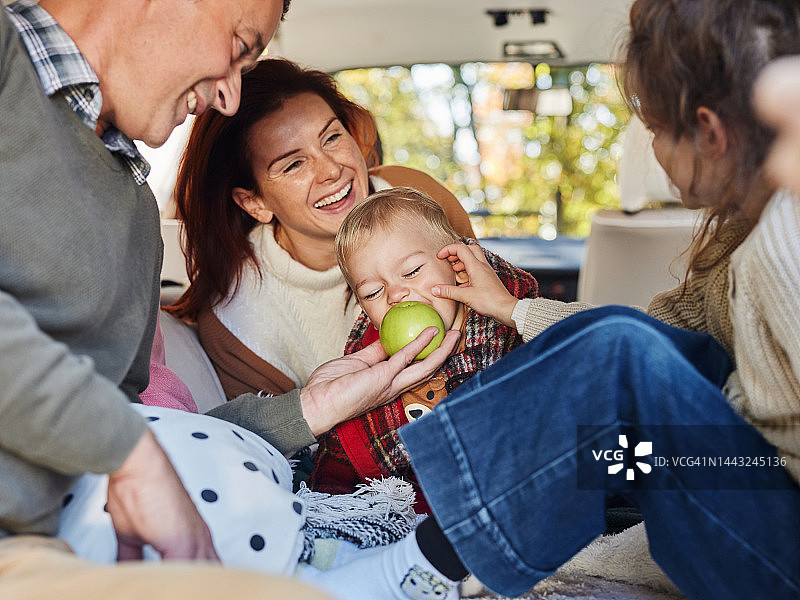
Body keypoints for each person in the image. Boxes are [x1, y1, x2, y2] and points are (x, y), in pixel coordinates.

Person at [0, 0, 461, 598]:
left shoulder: (132, 211)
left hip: (47, 532)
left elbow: (140, 416)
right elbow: (126, 431)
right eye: (240, 45)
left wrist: (312, 406)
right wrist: (128, 451)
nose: (227, 96)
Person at [388, 0, 800, 598]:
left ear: (709, 132)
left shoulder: (783, 236)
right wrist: (510, 307)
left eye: (656, 130)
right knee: (627, 363)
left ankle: (431, 565)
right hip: (751, 481)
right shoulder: (744, 236)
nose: (654, 152)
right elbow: (652, 346)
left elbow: (630, 359)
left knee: (621, 356)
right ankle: (470, 534)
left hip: (777, 524)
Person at [164, 59, 475, 423]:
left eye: (332, 137)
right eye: (293, 164)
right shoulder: (237, 322)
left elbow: (487, 311)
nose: (331, 170)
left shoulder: (417, 196)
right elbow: (285, 459)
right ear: (255, 202)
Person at [309, 187, 539, 505]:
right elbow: (337, 467)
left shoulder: (506, 331)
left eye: (412, 272)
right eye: (374, 292)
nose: (396, 294)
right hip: (418, 513)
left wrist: (510, 310)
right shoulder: (371, 367)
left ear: (456, 266)